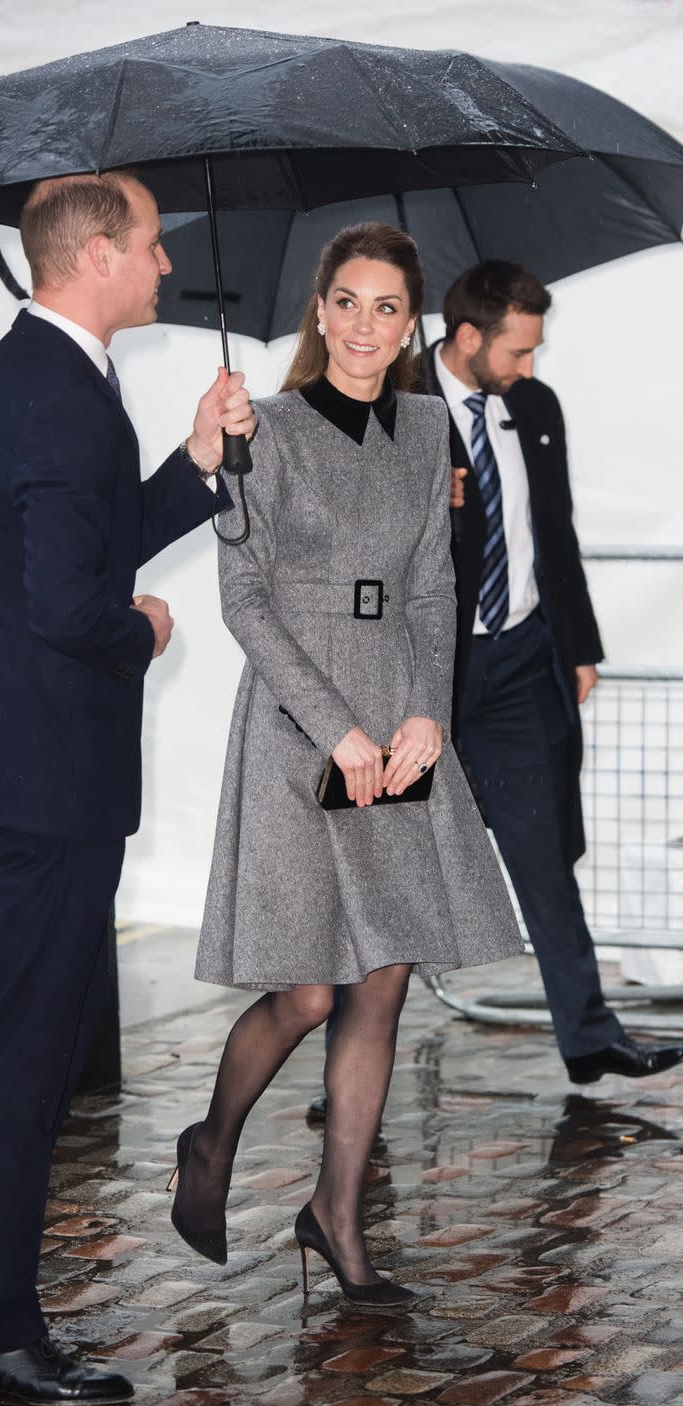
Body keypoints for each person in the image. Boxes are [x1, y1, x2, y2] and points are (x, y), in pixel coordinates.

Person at [0, 168, 255, 1405]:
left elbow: (85, 540)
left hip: (26, 761)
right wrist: (142, 634)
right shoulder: (51, 392)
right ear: (95, 253)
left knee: (21, 1040)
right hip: (44, 769)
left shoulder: (46, 377)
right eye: (150, 246)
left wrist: (197, 462)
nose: (164, 264)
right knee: (28, 1056)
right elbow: (66, 603)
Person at [168, 223, 522, 1307]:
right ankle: (212, 1138)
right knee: (311, 992)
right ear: (319, 311)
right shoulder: (255, 429)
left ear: (409, 325)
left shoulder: (426, 430)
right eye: (349, 301)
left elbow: (432, 588)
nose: (367, 325)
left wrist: (428, 713)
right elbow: (243, 601)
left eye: (387, 308)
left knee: (385, 981)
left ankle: (337, 1217)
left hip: (398, 718)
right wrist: (339, 728)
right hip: (294, 724)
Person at [432, 261, 683, 1085]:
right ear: (469, 338)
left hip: (518, 665)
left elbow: (557, 532)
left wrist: (579, 647)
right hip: (425, 677)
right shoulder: (397, 412)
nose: (530, 368)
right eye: (518, 351)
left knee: (545, 855)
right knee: (394, 875)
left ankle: (588, 1034)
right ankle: (346, 1071)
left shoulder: (534, 407)